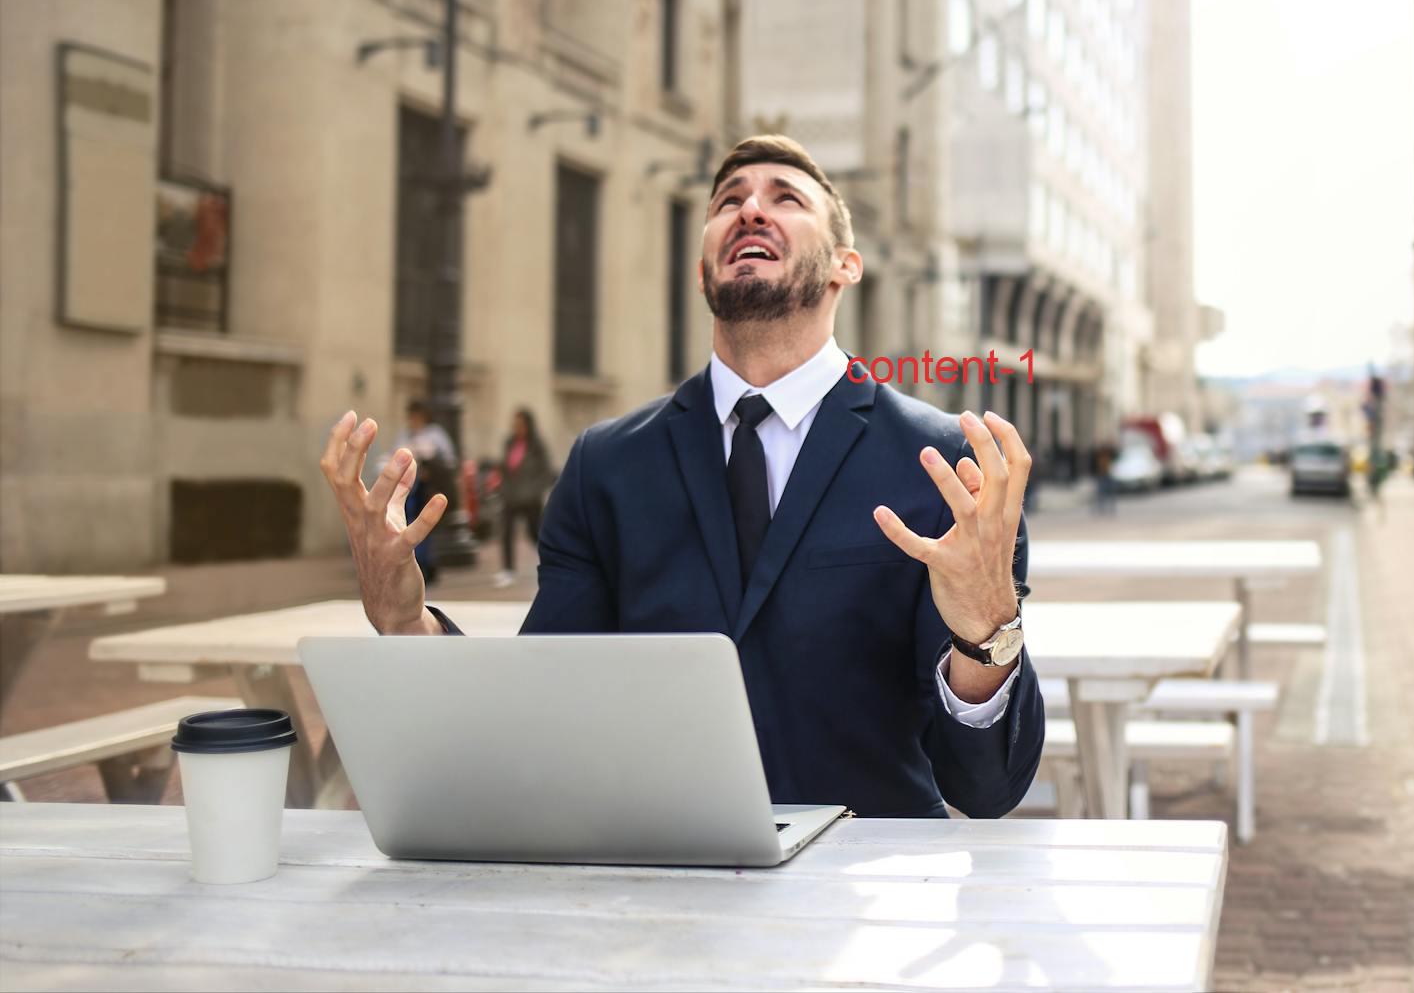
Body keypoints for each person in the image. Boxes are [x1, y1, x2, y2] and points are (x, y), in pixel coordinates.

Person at [319, 135, 1044, 818]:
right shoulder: (605, 465)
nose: (750, 208)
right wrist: (404, 622)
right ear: (702, 270)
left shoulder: (949, 467)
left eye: (785, 197)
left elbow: (984, 786)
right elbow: (538, 712)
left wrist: (987, 629)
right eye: (728, 200)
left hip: (861, 902)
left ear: (844, 266)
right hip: (659, 890)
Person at [387, 399, 457, 583]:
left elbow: (448, 460)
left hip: (428, 487)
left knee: (425, 524)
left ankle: (426, 563)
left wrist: (430, 464)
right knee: (409, 523)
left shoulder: (435, 435)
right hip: (410, 487)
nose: (413, 420)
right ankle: (415, 563)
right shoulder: (405, 435)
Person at [495, 408, 557, 585]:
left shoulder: (537, 445)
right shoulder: (510, 443)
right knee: (506, 532)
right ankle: (508, 569)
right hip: (510, 497)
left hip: (530, 499)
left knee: (534, 533)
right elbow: (504, 468)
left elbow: (546, 472)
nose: (517, 427)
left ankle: (550, 563)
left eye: (520, 424)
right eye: (515, 424)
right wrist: (503, 489)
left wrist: (533, 491)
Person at [1091, 443, 1117, 516]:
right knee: (1100, 493)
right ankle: (1101, 508)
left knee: (1110, 493)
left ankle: (1110, 508)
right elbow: (1094, 465)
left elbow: (1115, 454)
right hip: (1101, 475)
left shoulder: (1109, 455)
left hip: (1107, 474)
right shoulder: (1098, 456)